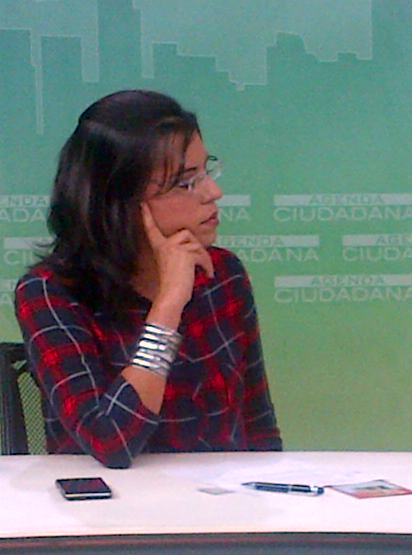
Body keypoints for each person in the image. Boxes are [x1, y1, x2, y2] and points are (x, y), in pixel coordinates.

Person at [15, 89, 281, 468]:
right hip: (112, 502)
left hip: (220, 500)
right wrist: (168, 308)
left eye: (206, 172)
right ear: (119, 203)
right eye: (185, 183)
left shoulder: (222, 274)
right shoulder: (50, 293)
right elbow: (110, 442)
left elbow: (259, 428)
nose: (213, 193)